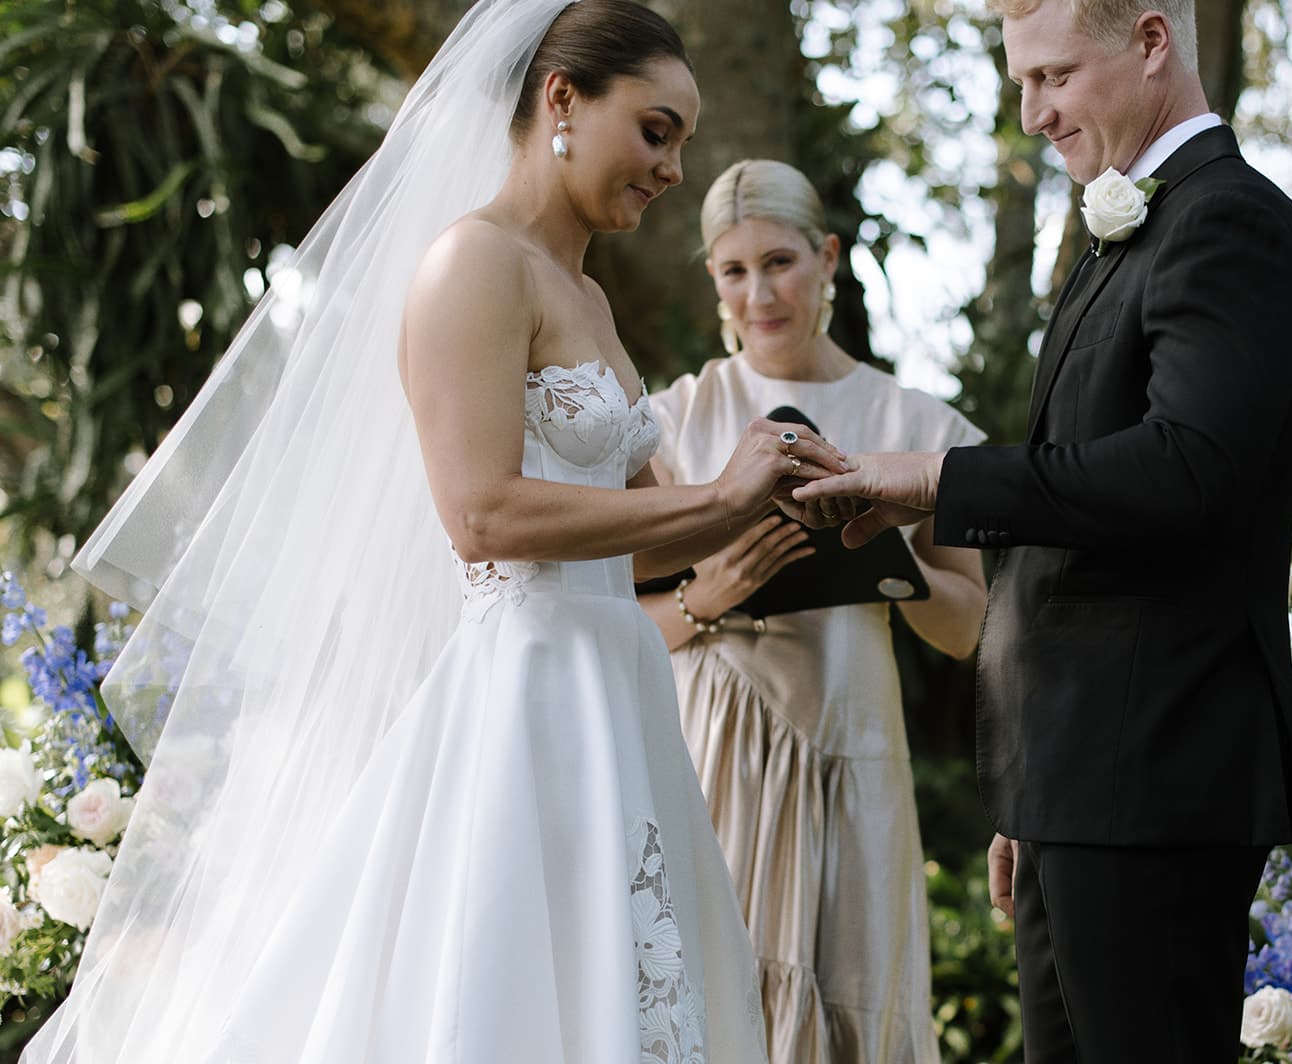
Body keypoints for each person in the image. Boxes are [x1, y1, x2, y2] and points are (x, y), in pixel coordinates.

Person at [30, 2, 850, 1060]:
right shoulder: (470, 262)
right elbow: (482, 513)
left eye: (681, 140)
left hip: (620, 688)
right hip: (526, 686)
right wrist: (720, 499)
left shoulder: (588, 301)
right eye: (655, 130)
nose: (673, 168)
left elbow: (640, 539)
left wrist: (784, 486)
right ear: (562, 98)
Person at [791, 0, 1292, 1060]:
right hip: (1084, 777)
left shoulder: (1229, 221)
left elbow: (1184, 472)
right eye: (1018, 85)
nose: (1032, 114)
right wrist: (1033, 792)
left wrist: (933, 478)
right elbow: (1073, 529)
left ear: (1149, 40)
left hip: (1163, 768)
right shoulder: (1127, 229)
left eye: (1052, 77)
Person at [637, 159, 988, 1063]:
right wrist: (706, 596)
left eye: (780, 262)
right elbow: (615, 625)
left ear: (828, 257)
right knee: (716, 994)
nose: (759, 293)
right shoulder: (674, 422)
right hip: (714, 746)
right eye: (733, 270)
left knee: (854, 999)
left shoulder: (914, 422)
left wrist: (892, 551)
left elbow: (972, 630)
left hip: (854, 737)